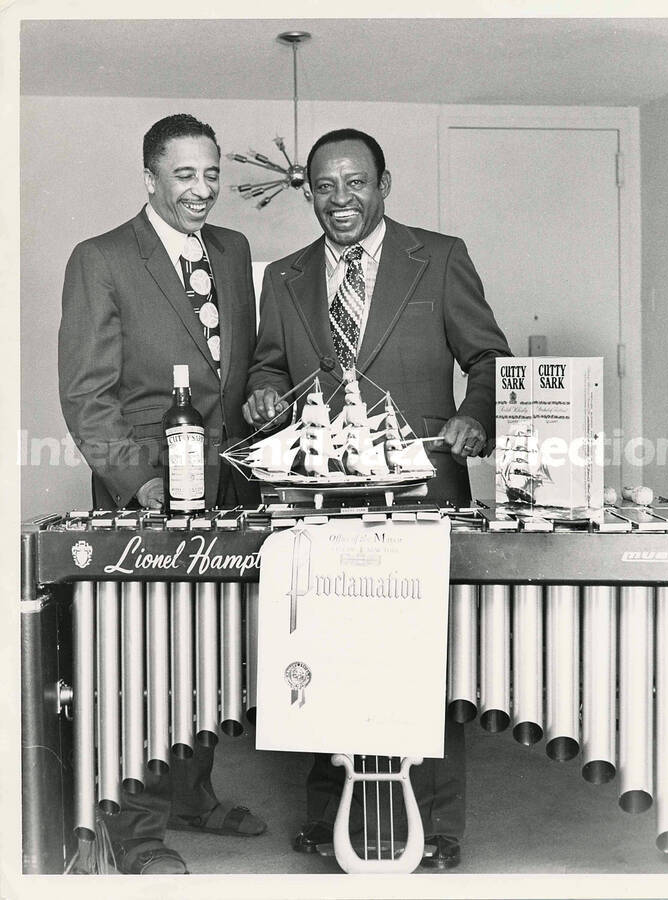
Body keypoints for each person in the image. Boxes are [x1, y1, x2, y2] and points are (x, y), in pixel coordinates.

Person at [243, 128, 512, 870]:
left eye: (355, 184)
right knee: (324, 650)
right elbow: (267, 362)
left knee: (422, 657)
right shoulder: (287, 276)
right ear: (309, 192)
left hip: (423, 484)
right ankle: (329, 816)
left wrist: (476, 415)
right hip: (320, 493)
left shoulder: (440, 255)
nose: (340, 201)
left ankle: (436, 824)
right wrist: (265, 391)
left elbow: (488, 357)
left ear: (383, 185)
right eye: (325, 187)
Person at [59, 113, 265, 874]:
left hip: (227, 491)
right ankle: (136, 833)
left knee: (212, 659)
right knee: (145, 667)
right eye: (184, 175)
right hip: (143, 491)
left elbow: (234, 376)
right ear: (150, 178)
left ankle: (192, 796)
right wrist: (137, 481)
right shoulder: (103, 258)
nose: (201, 190)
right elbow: (87, 395)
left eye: (211, 174)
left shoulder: (236, 252)